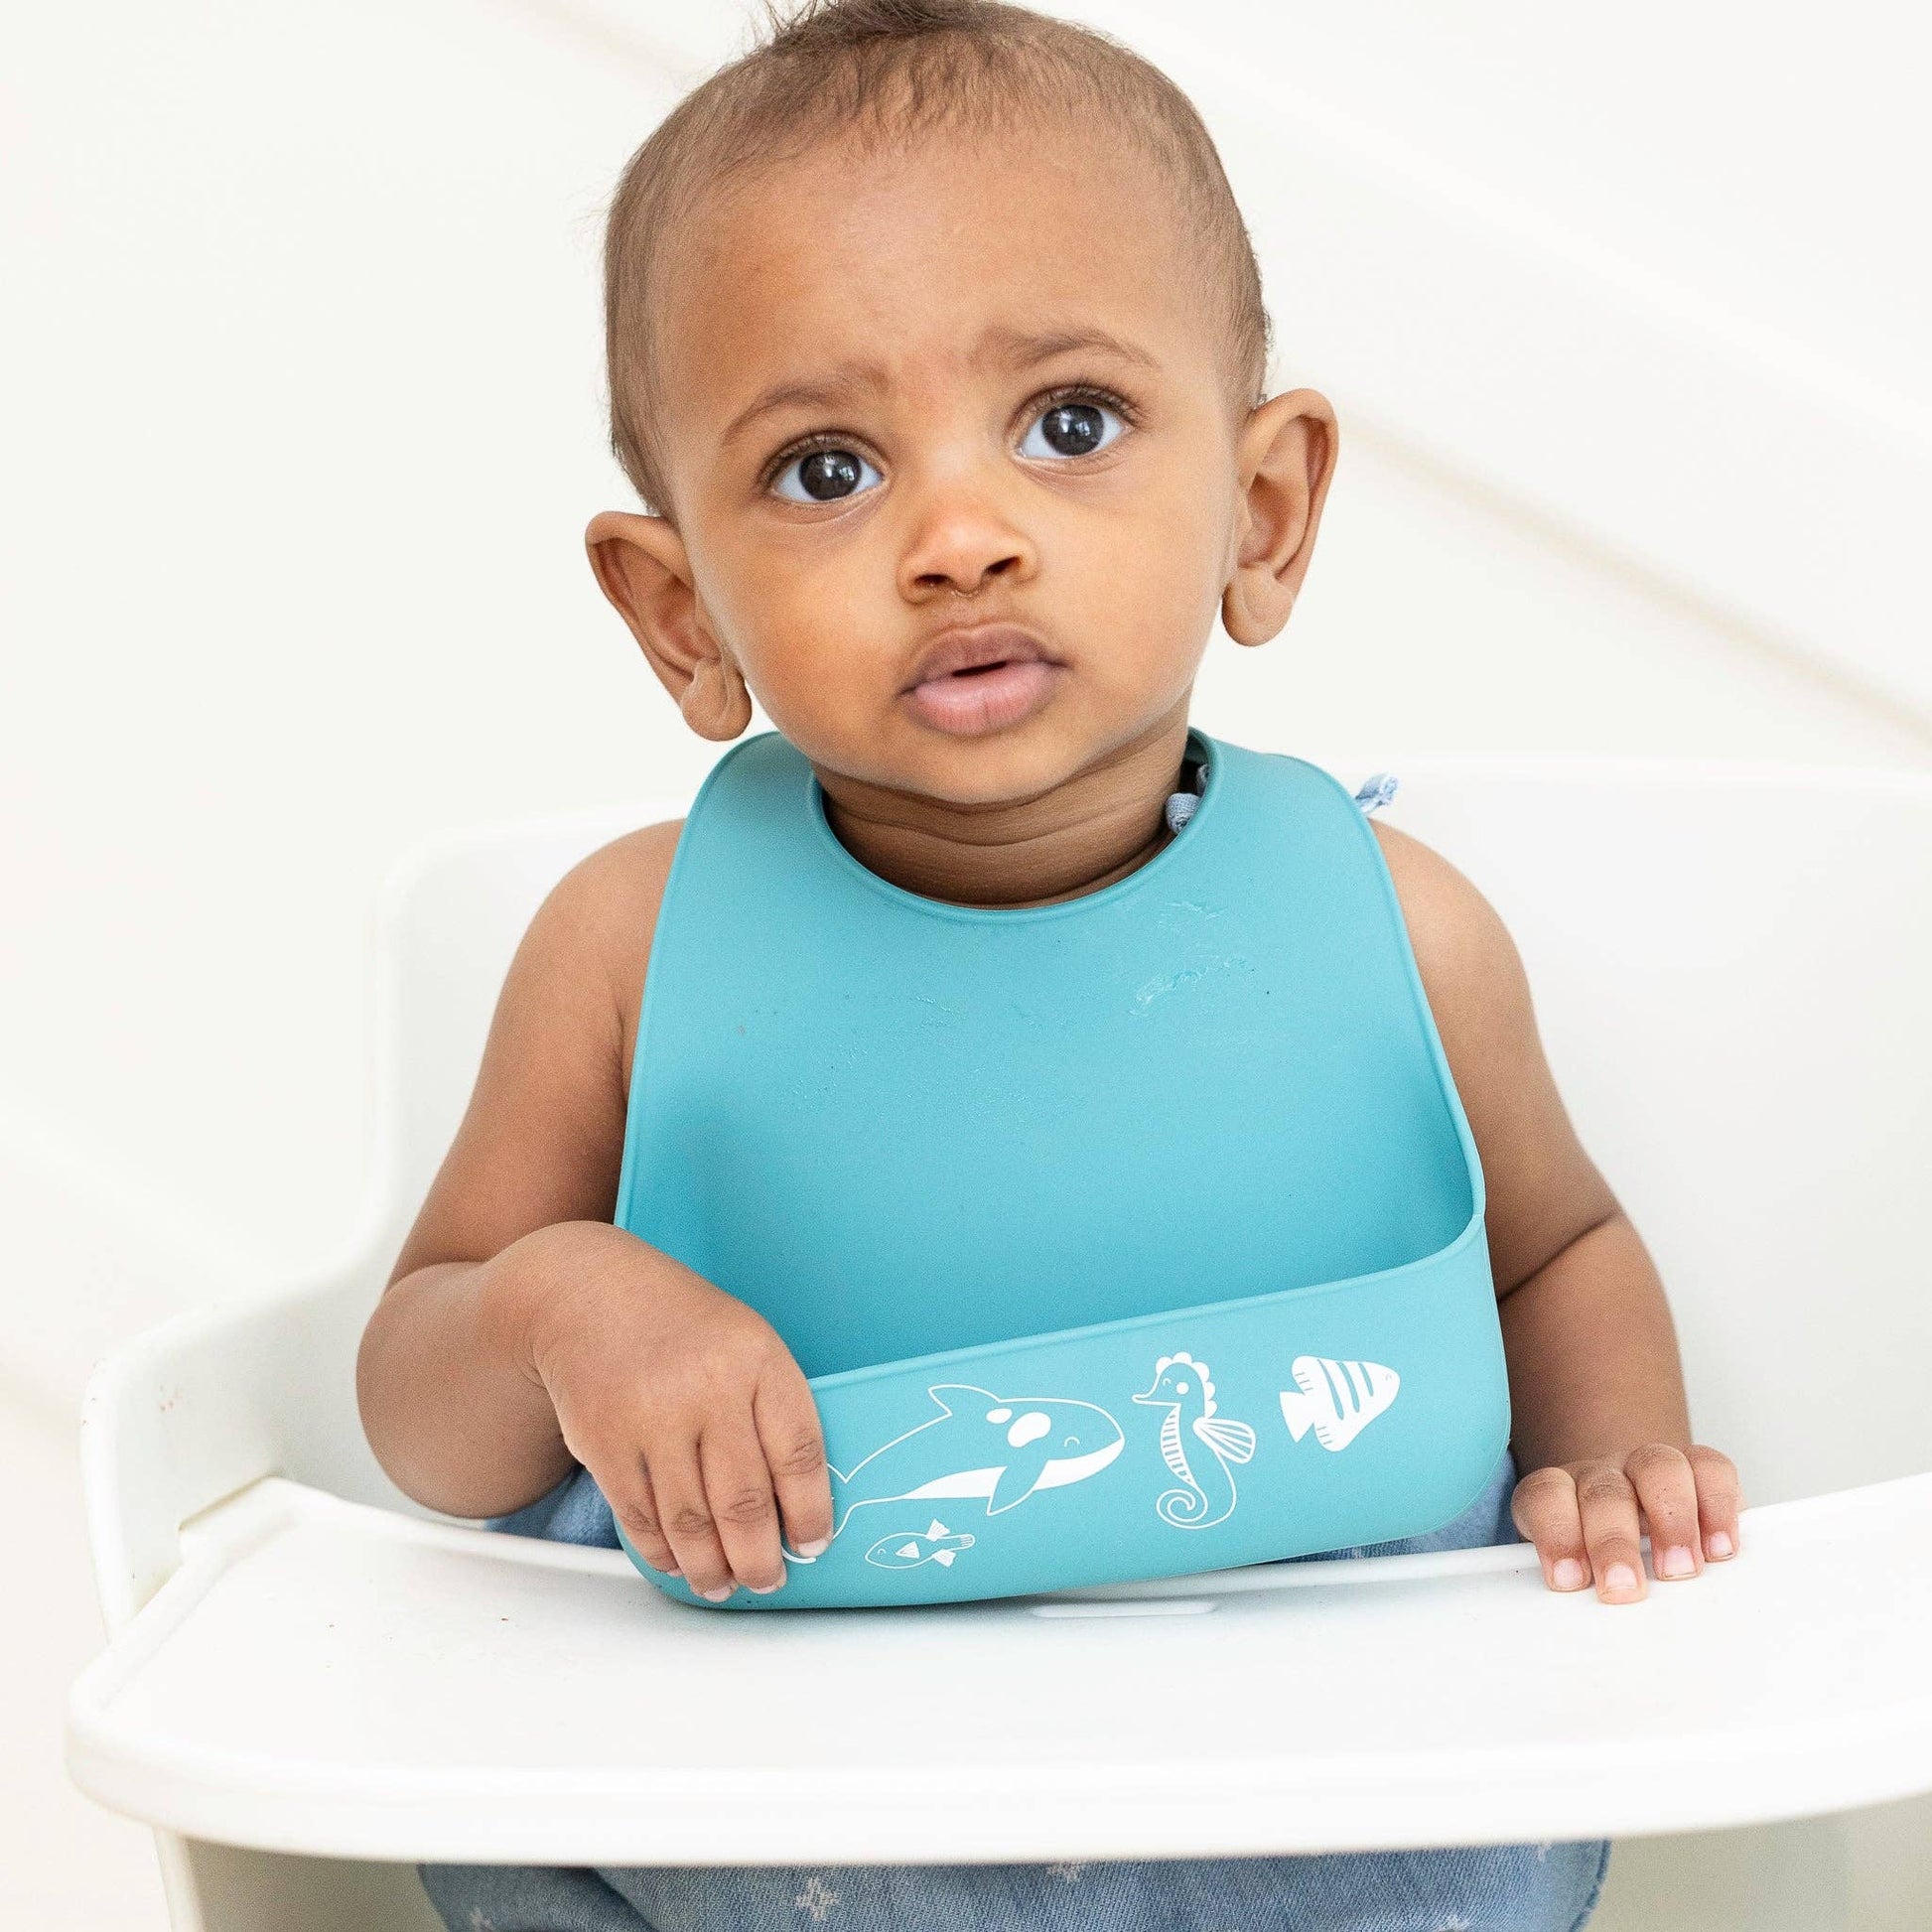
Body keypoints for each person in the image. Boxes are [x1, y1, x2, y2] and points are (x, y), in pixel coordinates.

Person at [357, 1, 1741, 1924]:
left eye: (1067, 426)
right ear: (681, 611)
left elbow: (1555, 1253)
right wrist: (560, 1306)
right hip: (799, 1810)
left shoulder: (1395, 934)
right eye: (828, 468)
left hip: (1312, 1815)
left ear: (1261, 512)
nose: (959, 535)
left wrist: (1611, 1459)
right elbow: (415, 1402)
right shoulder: (631, 948)